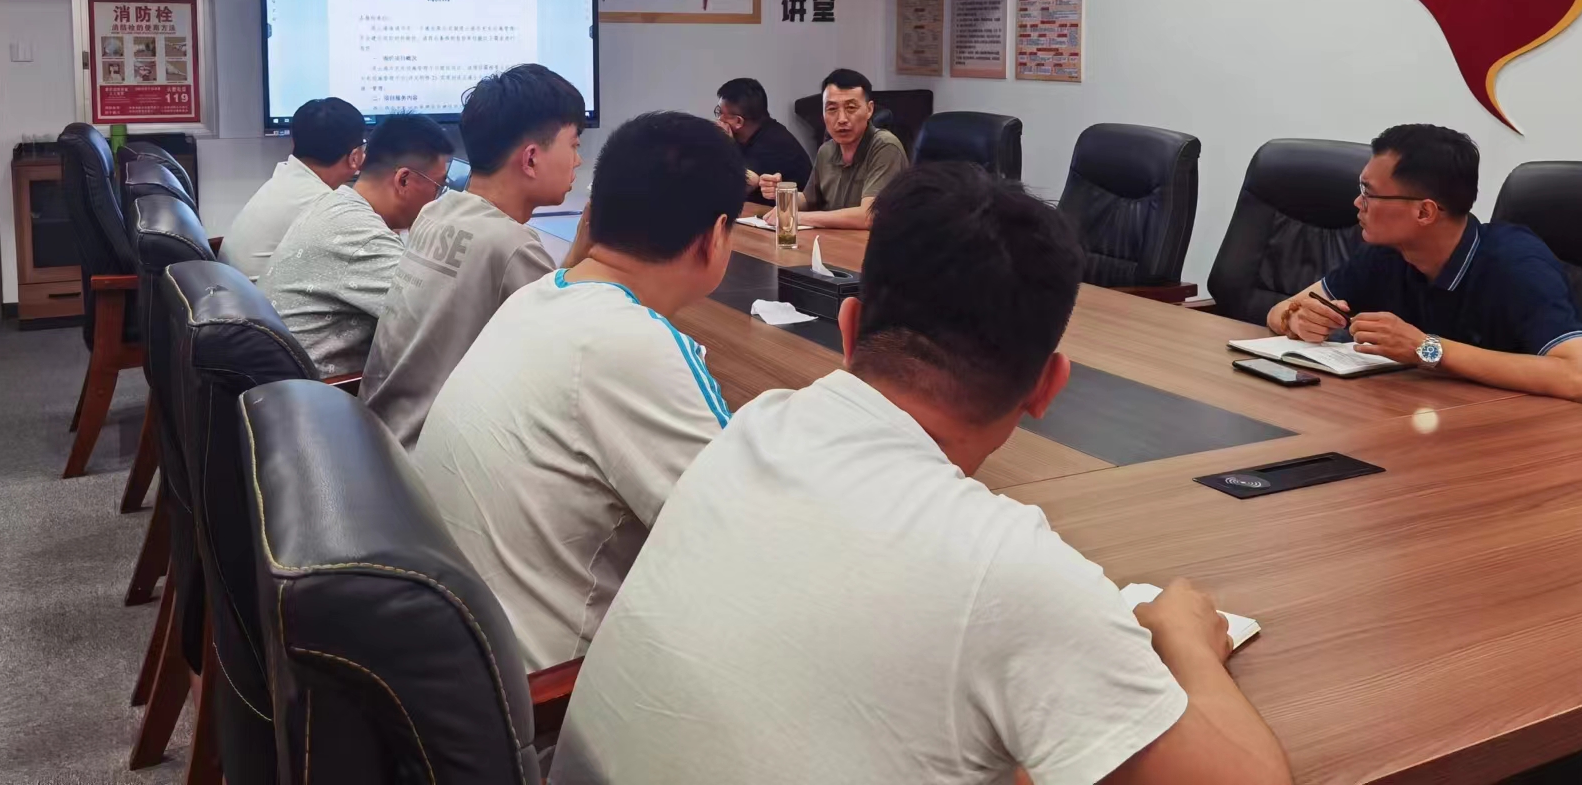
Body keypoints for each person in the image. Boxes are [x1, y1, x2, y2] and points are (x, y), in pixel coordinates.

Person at [551, 165, 1289, 785]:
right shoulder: (1007, 570)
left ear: (847, 328)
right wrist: (1186, 641)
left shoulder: (758, 426)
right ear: (1048, 388)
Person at [415, 111, 744, 669]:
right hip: (542, 694)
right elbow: (746, 540)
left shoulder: (540, 296)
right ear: (715, 237)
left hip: (451, 652)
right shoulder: (637, 346)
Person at [1269, 123, 1582, 407]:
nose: (1358, 202)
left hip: (1569, 439)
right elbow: (1281, 310)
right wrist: (1298, 320)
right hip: (1450, 416)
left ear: (1424, 212)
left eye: (1370, 193)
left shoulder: (1516, 264)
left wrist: (1426, 349)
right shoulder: (1387, 252)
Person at [362, 65, 586, 448]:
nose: (578, 161)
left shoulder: (435, 213)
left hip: (381, 438)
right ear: (531, 159)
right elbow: (572, 354)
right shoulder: (511, 245)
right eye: (574, 145)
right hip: (432, 453)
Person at [261, 113, 452, 378]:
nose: (438, 199)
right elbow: (441, 324)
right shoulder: (364, 238)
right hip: (324, 394)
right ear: (403, 180)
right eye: (439, 187)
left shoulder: (337, 203)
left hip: (287, 386)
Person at [220, 97, 365, 281]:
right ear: (355, 157)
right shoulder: (322, 204)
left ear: (294, 143)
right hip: (261, 298)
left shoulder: (286, 178)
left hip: (235, 291)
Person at [758, 67, 907, 229]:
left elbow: (869, 216)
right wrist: (783, 194)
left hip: (873, 242)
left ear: (869, 109)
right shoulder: (826, 151)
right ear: (823, 114)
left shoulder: (885, 147)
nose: (841, 119)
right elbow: (808, 200)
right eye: (832, 109)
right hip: (833, 240)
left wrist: (794, 216)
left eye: (851, 108)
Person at [714, 76, 812, 204]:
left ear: (738, 121)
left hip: (794, 214)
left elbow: (731, 189)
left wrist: (723, 146)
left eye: (720, 113)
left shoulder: (775, 144)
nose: (718, 120)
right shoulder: (745, 135)